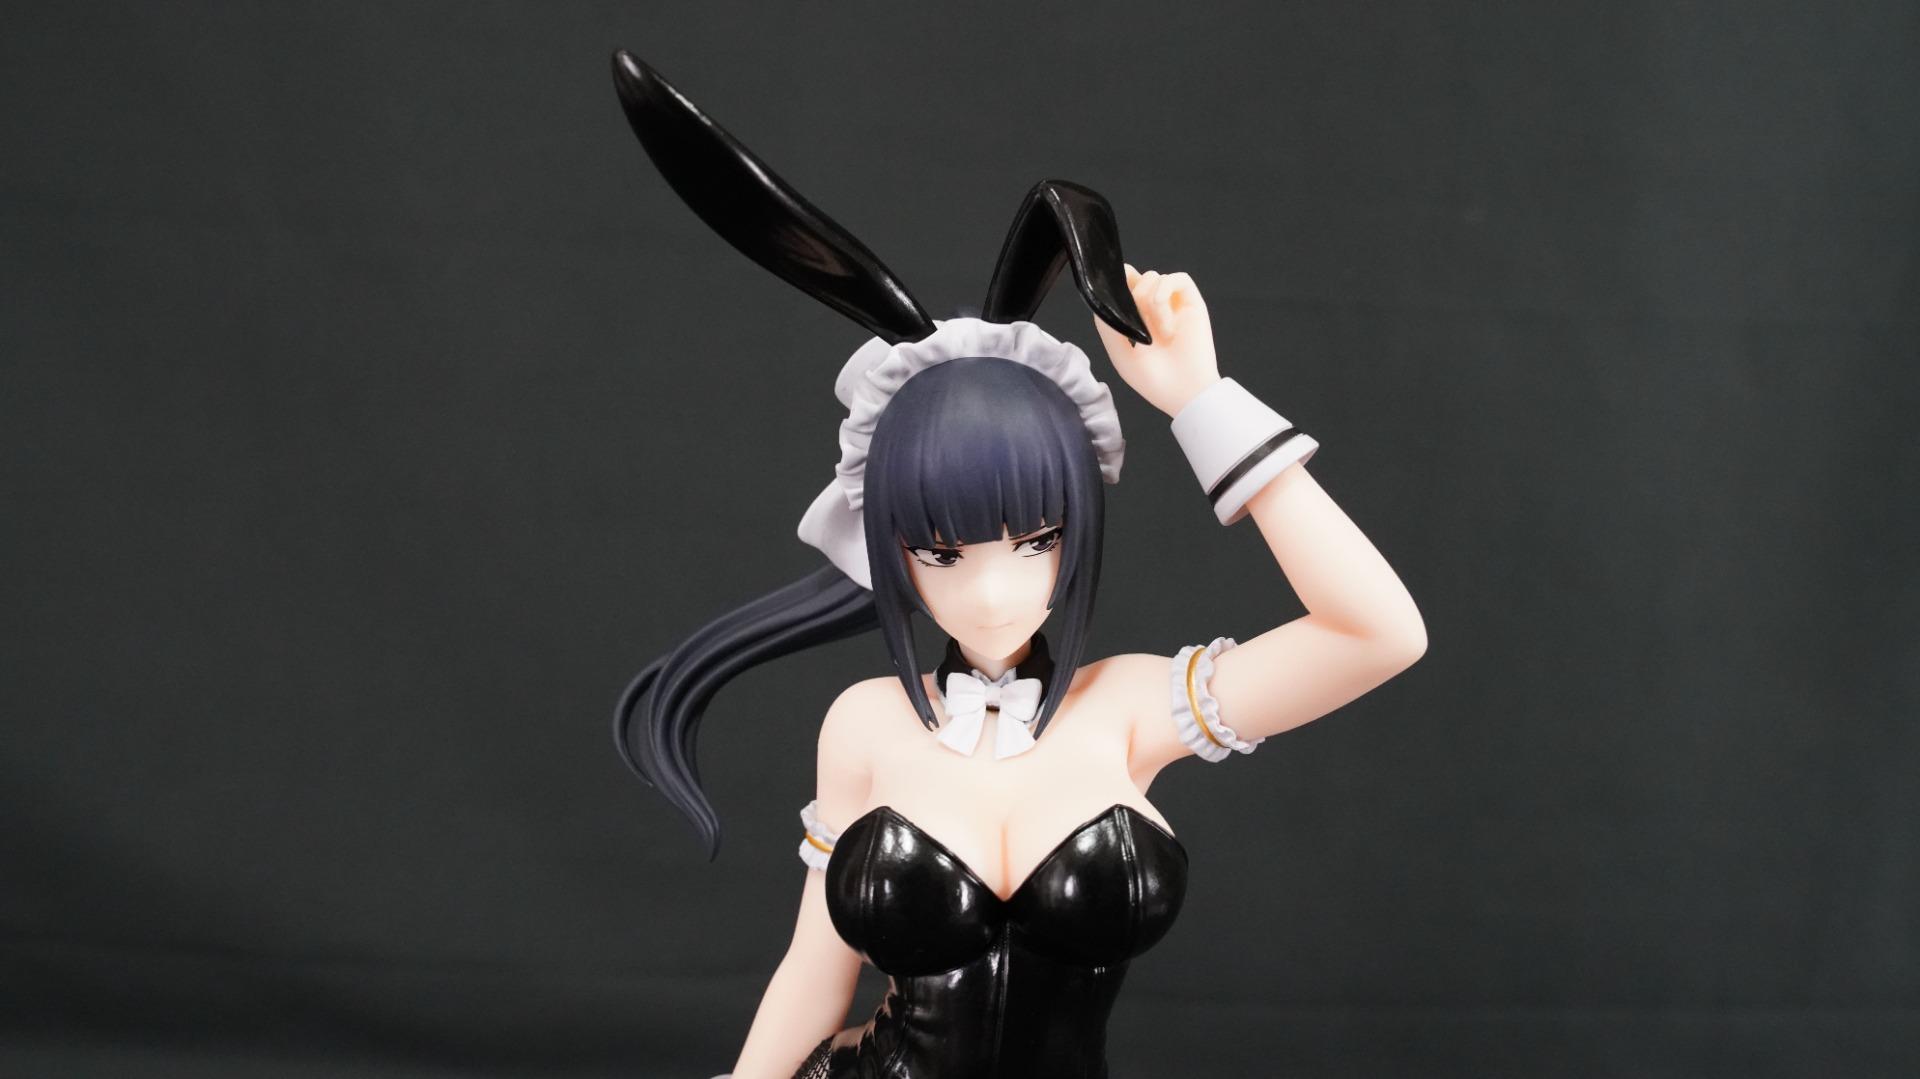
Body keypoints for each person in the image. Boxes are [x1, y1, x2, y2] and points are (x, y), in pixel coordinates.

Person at [608, 51, 1426, 1079]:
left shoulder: (1131, 708)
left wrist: (1200, 400)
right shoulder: (864, 724)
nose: (993, 590)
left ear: (1078, 526)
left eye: (1036, 538)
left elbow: (1378, 633)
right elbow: (815, 977)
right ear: (886, 545)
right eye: (941, 550)